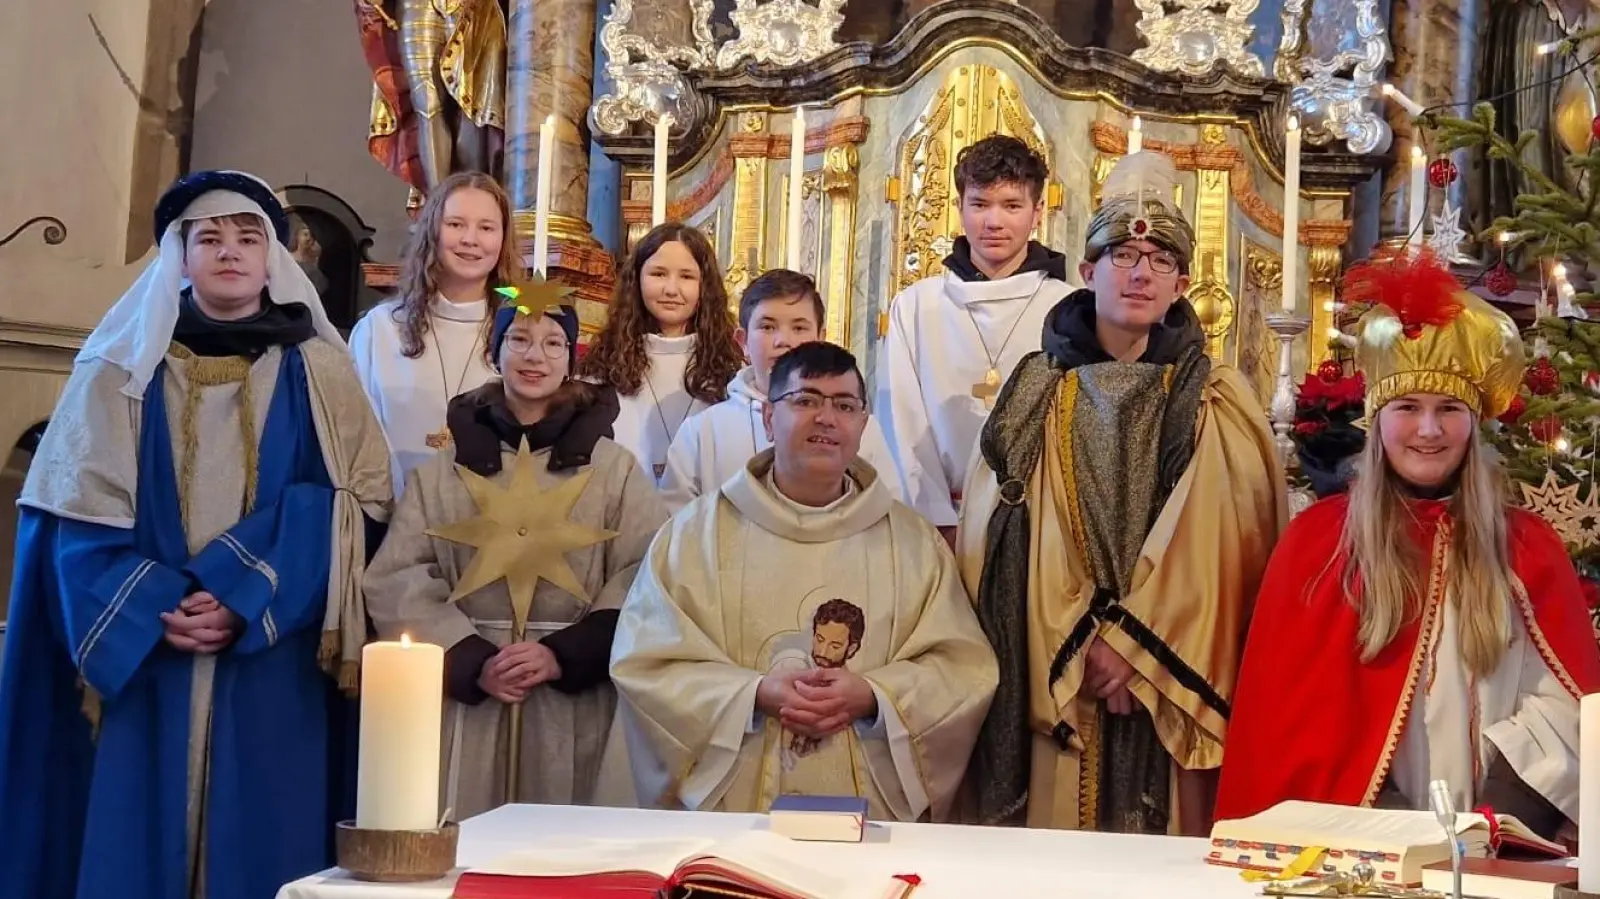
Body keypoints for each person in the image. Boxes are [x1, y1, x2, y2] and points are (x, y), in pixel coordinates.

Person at [0, 171, 392, 899]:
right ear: (179, 257)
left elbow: (355, 505)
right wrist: (153, 603)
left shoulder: (322, 369)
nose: (230, 252)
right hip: (147, 649)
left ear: (275, 255)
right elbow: (71, 519)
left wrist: (245, 591)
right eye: (208, 238)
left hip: (274, 654)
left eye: (248, 237)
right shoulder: (118, 370)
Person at [956, 150, 1285, 834]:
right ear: (1086, 271)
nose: (1140, 271)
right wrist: (1079, 636)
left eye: (1161, 258)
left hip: (1171, 685)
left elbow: (1225, 546)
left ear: (1183, 282)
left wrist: (1136, 649)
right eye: (1122, 254)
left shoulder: (1217, 400)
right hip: (1062, 674)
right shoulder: (1034, 391)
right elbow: (1002, 539)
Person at [1214, 252, 1600, 835]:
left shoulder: (1526, 548)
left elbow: (1573, 707)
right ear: (1377, 418)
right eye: (1408, 408)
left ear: (1474, 423)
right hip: (1357, 848)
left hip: (1498, 840)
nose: (1428, 430)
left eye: (1449, 409)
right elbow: (1290, 722)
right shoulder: (1319, 545)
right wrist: (1391, 825)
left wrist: (1494, 818)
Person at [611, 342, 998, 821]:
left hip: (869, 809)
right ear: (771, 418)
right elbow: (646, 662)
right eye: (806, 400)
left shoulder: (913, 544)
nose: (826, 418)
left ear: (862, 424)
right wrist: (752, 695)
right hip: (733, 810)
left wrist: (876, 696)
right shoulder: (696, 536)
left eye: (844, 405)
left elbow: (962, 669)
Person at [365, 299, 667, 819]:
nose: (536, 356)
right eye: (519, 340)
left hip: (571, 701)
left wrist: (563, 654)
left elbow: (649, 570)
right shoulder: (442, 472)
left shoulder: (613, 471)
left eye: (553, 343)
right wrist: (473, 661)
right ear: (495, 350)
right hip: (472, 699)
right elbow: (397, 575)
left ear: (570, 359)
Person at [876, 134, 1073, 537]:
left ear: (1037, 212)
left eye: (1012, 206)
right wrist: (935, 522)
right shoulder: (916, 307)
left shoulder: (1070, 309)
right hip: (941, 521)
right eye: (980, 204)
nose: (994, 221)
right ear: (959, 208)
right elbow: (900, 423)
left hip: (1044, 528)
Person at [660, 269, 906, 512]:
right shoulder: (702, 432)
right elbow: (678, 532)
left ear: (821, 338)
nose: (783, 341)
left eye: (799, 328)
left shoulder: (858, 427)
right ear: (743, 341)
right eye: (767, 327)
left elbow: (888, 515)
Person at [350, 171, 514, 495]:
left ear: (502, 239)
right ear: (432, 232)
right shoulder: (380, 330)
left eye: (486, 227)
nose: (471, 239)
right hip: (392, 518)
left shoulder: (521, 333)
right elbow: (353, 435)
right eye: (455, 224)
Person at [579, 223, 744, 484]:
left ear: (705, 286)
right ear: (637, 279)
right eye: (658, 274)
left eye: (687, 276)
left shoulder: (730, 373)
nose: (671, 289)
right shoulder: (603, 367)